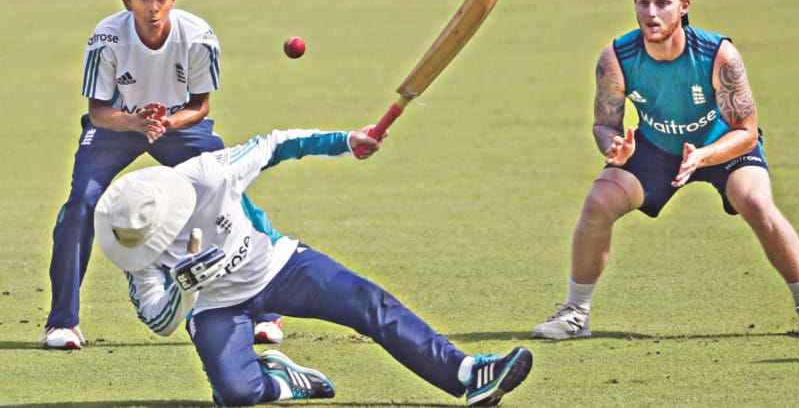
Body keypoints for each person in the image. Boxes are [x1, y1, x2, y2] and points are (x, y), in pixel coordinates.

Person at [92, 125, 532, 407]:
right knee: (236, 394)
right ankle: (283, 381)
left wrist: (343, 142)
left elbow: (276, 144)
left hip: (279, 266)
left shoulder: (209, 174)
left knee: (371, 303)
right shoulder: (130, 241)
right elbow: (158, 320)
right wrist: (184, 288)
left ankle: (468, 372)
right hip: (216, 308)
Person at [533, 0, 799, 340]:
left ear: (683, 6)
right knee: (598, 203)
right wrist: (614, 147)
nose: (651, 13)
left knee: (755, 201)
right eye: (643, 3)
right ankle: (575, 314)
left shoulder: (718, 54)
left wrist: (703, 156)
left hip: (722, 144)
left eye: (662, 3)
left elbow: (746, 131)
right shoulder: (617, 57)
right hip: (657, 148)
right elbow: (604, 124)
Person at [42, 0, 282, 349]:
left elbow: (200, 105)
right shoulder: (107, 38)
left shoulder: (198, 36)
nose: (152, 6)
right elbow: (98, 111)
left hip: (178, 125)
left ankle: (264, 311)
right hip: (118, 126)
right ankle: (62, 324)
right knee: (81, 204)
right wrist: (135, 123)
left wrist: (167, 123)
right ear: (127, 1)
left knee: (227, 193)